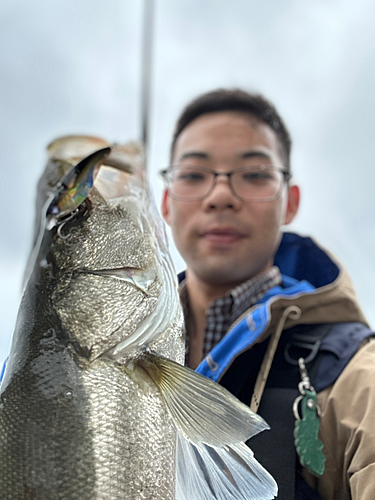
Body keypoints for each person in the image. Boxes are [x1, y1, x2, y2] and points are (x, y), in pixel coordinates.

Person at [160, 88, 375, 500]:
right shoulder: (102, 360)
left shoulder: (355, 378)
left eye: (255, 174)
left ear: (289, 202)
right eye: (193, 175)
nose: (220, 196)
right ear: (166, 203)